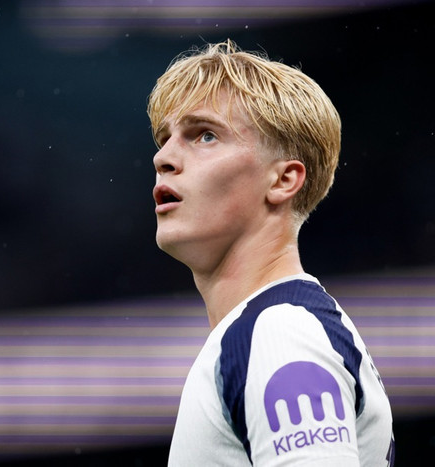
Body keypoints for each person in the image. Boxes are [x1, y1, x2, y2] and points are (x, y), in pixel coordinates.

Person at [147, 40, 394, 466]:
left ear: (283, 181)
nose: (163, 157)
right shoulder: (271, 329)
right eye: (165, 138)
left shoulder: (279, 333)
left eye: (205, 135)